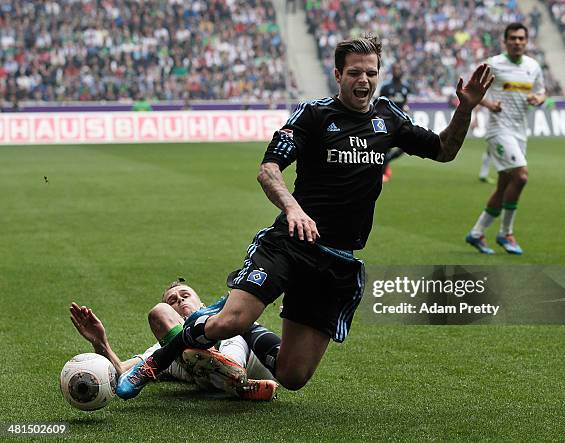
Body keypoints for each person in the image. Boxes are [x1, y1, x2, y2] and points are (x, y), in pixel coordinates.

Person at [117, 34, 493, 399]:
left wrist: (466, 108)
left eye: (371, 73)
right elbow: (268, 170)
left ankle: (246, 327)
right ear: (338, 75)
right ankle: (156, 362)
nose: (364, 80)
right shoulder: (314, 115)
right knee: (228, 322)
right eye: (355, 73)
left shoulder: (388, 118)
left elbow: (445, 150)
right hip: (291, 244)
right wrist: (293, 208)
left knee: (292, 375)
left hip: (336, 262)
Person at [70, 279, 278, 401]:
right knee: (163, 320)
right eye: (173, 300)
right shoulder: (162, 347)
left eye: (185, 294)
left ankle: (227, 370)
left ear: (202, 303)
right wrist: (100, 341)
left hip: (248, 357)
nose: (179, 299)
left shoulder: (226, 318)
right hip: (190, 355)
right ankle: (235, 382)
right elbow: (123, 372)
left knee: (228, 327)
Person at [465, 23, 546, 255]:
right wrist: (489, 104)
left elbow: (542, 91)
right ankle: (505, 232)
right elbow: (472, 89)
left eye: (521, 38)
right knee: (521, 176)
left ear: (526, 41)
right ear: (505, 41)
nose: (517, 42)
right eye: (513, 38)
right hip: (499, 130)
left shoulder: (533, 66)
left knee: (503, 187)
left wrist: (539, 99)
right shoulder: (494, 64)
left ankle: (477, 233)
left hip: (520, 132)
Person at [378, 63, 412, 182]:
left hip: (400, 122)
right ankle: (381, 173)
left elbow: (404, 103)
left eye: (399, 69)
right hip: (387, 122)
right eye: (395, 69)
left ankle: (387, 160)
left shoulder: (405, 87)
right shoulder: (386, 87)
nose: (397, 71)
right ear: (392, 71)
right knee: (385, 149)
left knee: (406, 146)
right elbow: (380, 103)